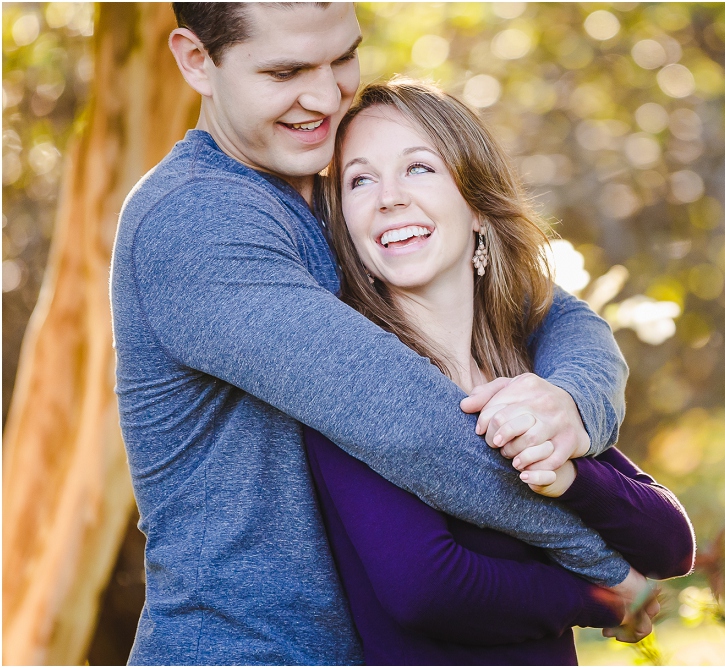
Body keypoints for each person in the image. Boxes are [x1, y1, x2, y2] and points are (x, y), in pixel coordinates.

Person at [111, 3, 649, 664]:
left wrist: (572, 404)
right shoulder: (194, 220)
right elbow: (409, 424)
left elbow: (544, 307)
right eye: (285, 71)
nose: (324, 95)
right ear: (197, 60)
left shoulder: (339, 191)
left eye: (342, 59)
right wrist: (601, 566)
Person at [304, 79, 696, 665]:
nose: (388, 197)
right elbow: (425, 587)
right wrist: (601, 598)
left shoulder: (521, 373)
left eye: (419, 168)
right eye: (360, 179)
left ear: (480, 211)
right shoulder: (344, 377)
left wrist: (568, 476)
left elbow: (670, 544)